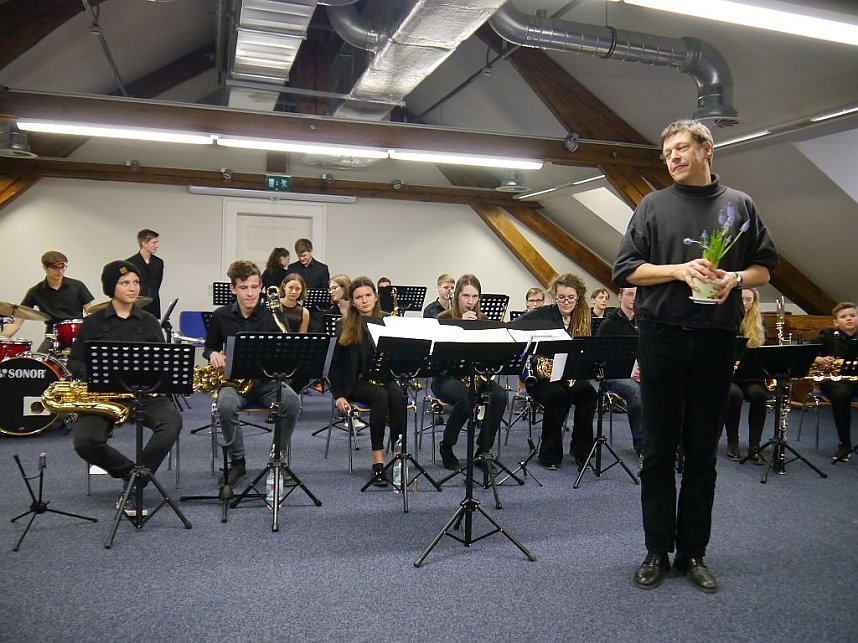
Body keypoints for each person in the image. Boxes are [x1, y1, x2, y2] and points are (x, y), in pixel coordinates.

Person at [614, 119, 777, 594]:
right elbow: (625, 270)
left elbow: (765, 267)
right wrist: (679, 270)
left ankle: (693, 553)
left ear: (708, 149)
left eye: (682, 148)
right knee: (659, 450)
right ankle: (656, 550)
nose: (674, 157)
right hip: (660, 336)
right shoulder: (652, 205)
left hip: (714, 339)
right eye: (667, 152)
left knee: (703, 453)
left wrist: (734, 280)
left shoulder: (739, 205)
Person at [68, 260, 181, 515]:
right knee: (85, 441)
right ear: (112, 287)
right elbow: (75, 361)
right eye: (124, 283)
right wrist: (96, 375)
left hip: (144, 393)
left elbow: (163, 363)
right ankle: (131, 473)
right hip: (105, 395)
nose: (132, 287)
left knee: (171, 423)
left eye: (135, 282)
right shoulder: (93, 323)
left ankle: (135, 484)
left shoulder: (150, 322)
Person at [203, 260, 302, 487]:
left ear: (261, 287)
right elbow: (209, 346)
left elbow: (288, 347)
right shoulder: (221, 316)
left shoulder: (274, 314)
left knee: (292, 403)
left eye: (255, 287)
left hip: (267, 381)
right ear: (233, 289)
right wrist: (212, 355)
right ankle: (238, 462)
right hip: (233, 382)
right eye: (244, 287)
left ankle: (277, 460)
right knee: (225, 406)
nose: (250, 293)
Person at [514, 273, 597, 470]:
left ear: (578, 297)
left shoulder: (584, 315)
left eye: (571, 298)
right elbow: (514, 326)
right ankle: (549, 452)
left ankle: (581, 449)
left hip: (569, 375)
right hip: (541, 377)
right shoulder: (543, 314)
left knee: (589, 395)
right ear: (554, 296)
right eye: (561, 297)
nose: (566, 302)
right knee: (556, 396)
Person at [328, 277, 406, 486]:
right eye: (358, 297)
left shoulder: (388, 321)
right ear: (352, 301)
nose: (364, 301)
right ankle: (377, 461)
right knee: (380, 396)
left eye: (368, 296)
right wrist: (338, 395)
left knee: (398, 395)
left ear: (375, 297)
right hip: (355, 384)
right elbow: (333, 365)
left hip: (383, 377)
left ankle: (397, 457)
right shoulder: (343, 325)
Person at [433, 274, 508, 471]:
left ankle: (482, 451)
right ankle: (447, 446)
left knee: (500, 396)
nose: (470, 302)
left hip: (475, 376)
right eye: (466, 296)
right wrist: (459, 326)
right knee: (467, 399)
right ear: (457, 296)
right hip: (446, 377)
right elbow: (439, 358)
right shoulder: (443, 319)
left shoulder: (483, 320)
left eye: (475, 297)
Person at [1, 251, 96, 351]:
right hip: (52, 336)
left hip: (78, 334)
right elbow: (17, 323)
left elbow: (90, 312)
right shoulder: (35, 292)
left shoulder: (77, 286)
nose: (60, 271)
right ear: (45, 268)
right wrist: (2, 339)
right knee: (41, 364)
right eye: (55, 268)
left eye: (62, 267)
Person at [597, 286, 643, 463]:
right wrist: (630, 371)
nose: (634, 298)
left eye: (638, 295)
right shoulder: (609, 324)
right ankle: (643, 447)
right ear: (620, 297)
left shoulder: (644, 321)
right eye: (630, 294)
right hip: (615, 373)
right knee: (635, 392)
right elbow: (600, 356)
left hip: (640, 372)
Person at [724, 288, 769, 465]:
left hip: (750, 375)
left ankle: (754, 446)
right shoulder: (725, 319)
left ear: (754, 301)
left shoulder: (758, 323)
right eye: (742, 298)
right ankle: (732, 442)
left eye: (749, 299)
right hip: (727, 375)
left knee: (760, 395)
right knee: (734, 395)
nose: (745, 303)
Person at [812, 302, 858, 463]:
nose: (849, 319)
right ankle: (845, 444)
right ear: (836, 322)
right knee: (841, 395)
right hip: (833, 381)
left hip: (855, 380)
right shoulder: (827, 335)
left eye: (852, 316)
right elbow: (805, 350)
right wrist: (819, 359)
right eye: (844, 317)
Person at [126, 229, 164, 318]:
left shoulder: (159, 263)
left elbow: (157, 284)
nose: (157, 246)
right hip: (136, 307)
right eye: (154, 243)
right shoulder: (130, 263)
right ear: (144, 244)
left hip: (154, 306)